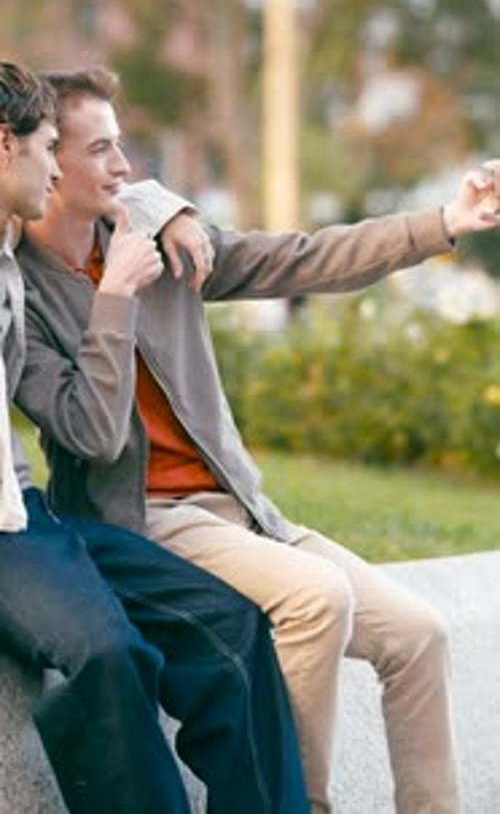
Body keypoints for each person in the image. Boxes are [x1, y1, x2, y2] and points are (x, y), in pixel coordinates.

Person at [15, 66, 500, 814]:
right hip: (145, 520)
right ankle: (296, 806)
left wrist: (442, 222)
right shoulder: (26, 289)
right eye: (99, 149)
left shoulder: (157, 233)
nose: (124, 166)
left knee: (419, 634)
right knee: (315, 600)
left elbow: (298, 258)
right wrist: (115, 299)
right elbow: (95, 435)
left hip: (240, 506)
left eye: (123, 146)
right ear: (50, 160)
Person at [0, 60, 309, 814]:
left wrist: (168, 210)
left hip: (24, 514)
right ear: (4, 147)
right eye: (43, 149)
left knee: (230, 625)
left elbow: (103, 176)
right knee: (106, 652)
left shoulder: (9, 237)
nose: (51, 170)